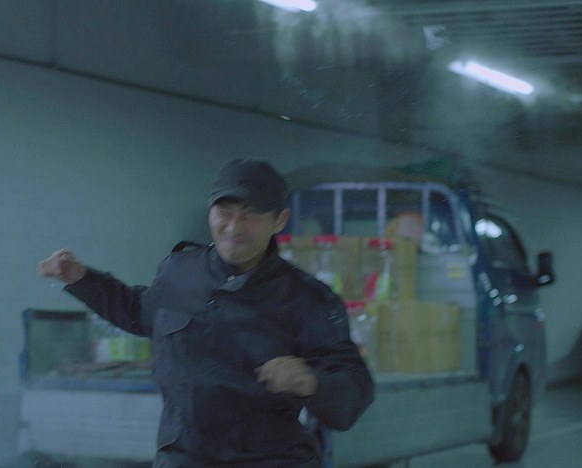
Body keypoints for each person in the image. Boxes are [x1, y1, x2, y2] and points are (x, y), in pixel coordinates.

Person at [37, 159, 374, 467]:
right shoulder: (180, 271)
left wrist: (312, 381)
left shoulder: (305, 298)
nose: (234, 227)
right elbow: (140, 311)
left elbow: (354, 391)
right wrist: (81, 279)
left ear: (279, 220)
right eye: (224, 212)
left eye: (250, 215)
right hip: (182, 458)